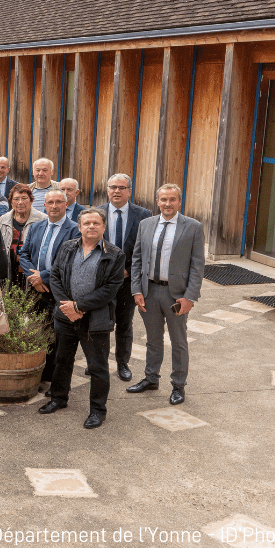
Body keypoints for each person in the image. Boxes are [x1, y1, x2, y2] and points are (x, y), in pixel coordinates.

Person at [43, 208, 125, 429]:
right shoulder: (68, 246)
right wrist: (67, 307)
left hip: (95, 320)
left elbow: (111, 289)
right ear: (79, 227)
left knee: (97, 367)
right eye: (86, 223)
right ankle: (59, 398)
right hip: (65, 317)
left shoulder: (115, 254)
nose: (91, 226)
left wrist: (79, 306)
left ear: (103, 227)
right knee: (62, 360)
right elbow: (55, 276)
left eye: (96, 223)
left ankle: (98, 410)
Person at [128, 183, 205, 405]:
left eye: (172, 199)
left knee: (178, 342)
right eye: (163, 199)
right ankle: (151, 378)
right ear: (157, 201)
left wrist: (190, 297)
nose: (167, 204)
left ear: (179, 202)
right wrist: (136, 289)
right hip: (149, 291)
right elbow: (137, 260)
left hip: (176, 295)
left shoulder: (193, 227)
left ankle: (178, 385)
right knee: (152, 339)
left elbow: (197, 265)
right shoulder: (146, 224)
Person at [18, 189, 81, 392]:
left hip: (59, 290)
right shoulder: (36, 227)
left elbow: (69, 261)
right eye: (50, 202)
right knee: (38, 331)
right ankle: (41, 373)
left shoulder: (74, 230)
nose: (54, 206)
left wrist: (43, 276)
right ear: (44, 206)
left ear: (65, 204)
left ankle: (56, 379)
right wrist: (33, 277)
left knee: (58, 335)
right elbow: (23, 253)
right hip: (36, 289)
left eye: (58, 202)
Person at [94, 173, 151, 381]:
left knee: (124, 323)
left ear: (129, 191)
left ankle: (122, 363)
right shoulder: (95, 212)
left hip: (128, 280)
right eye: (112, 187)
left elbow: (145, 249)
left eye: (121, 187)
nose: (116, 191)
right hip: (101, 281)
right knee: (99, 322)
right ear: (107, 190)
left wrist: (128, 269)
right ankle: (97, 361)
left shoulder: (143, 215)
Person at [0, 184, 45, 289]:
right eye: (16, 199)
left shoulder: (43, 220)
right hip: (8, 274)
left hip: (33, 276)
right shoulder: (2, 220)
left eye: (24, 198)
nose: (20, 202)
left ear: (31, 201)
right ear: (11, 202)